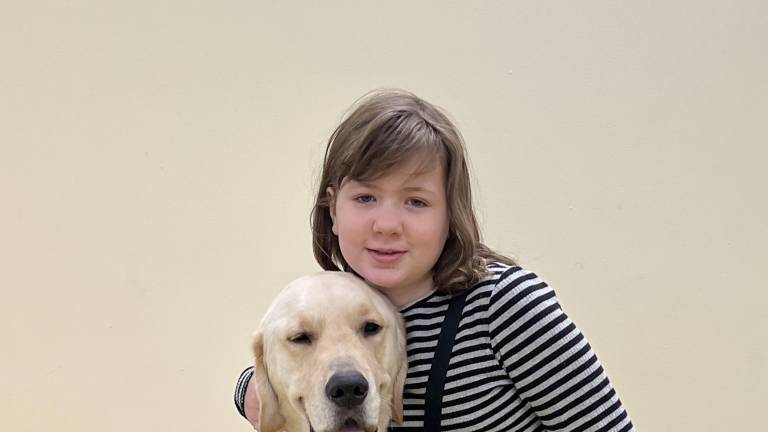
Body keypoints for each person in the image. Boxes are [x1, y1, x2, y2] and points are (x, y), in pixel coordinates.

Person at [234, 89, 635, 431]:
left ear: (450, 214)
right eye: (366, 198)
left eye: (416, 201)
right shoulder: (340, 301)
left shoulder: (506, 305)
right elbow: (277, 365)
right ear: (333, 208)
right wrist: (250, 389)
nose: (387, 225)